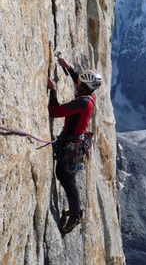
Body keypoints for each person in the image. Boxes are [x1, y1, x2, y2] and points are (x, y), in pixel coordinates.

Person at [47, 58, 102, 233]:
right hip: (74, 141)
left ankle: (76, 215)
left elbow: (55, 112)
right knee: (65, 177)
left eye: (79, 81)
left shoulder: (83, 102)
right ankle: (75, 211)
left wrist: (53, 90)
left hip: (72, 144)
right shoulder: (89, 96)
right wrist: (68, 67)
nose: (76, 81)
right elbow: (79, 79)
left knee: (66, 178)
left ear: (84, 85)